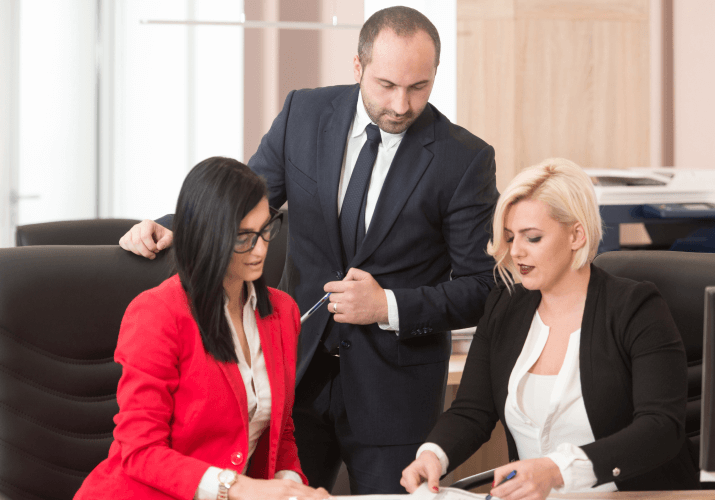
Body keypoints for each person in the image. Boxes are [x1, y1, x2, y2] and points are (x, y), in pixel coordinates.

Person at [118, 6, 499, 494]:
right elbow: (247, 200)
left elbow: (481, 286)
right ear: (358, 66)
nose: (401, 104)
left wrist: (387, 306)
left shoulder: (463, 159)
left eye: (418, 87)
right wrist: (174, 227)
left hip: (394, 396)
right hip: (293, 378)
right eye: (386, 85)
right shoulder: (304, 113)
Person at [400, 158, 700, 499]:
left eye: (533, 238)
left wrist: (556, 470)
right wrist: (433, 455)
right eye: (510, 237)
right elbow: (472, 411)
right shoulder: (504, 305)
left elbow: (660, 428)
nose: (516, 252)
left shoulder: (636, 308)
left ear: (576, 235)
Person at [76, 157, 331, 500]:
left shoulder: (282, 312)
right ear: (205, 235)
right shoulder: (157, 314)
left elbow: (279, 431)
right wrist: (240, 488)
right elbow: (140, 451)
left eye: (265, 229)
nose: (260, 249)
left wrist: (292, 488)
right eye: (243, 237)